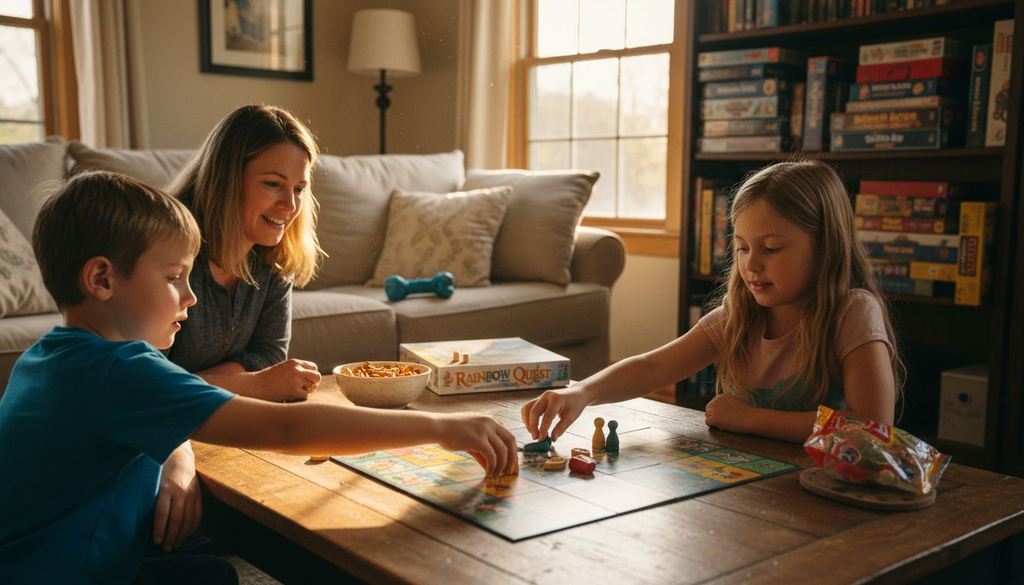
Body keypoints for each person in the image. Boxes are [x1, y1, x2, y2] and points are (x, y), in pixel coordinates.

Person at [0, 172, 517, 584]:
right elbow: (286, 430)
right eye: (174, 277)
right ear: (102, 279)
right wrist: (442, 428)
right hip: (64, 574)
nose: (191, 295)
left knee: (214, 574)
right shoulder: (120, 370)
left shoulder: (48, 356)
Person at [521, 159, 904, 444]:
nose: (751, 264)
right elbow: (654, 368)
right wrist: (581, 392)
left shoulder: (852, 311)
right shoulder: (743, 314)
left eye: (771, 248)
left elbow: (872, 427)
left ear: (826, 246)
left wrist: (751, 418)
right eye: (741, 248)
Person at [159, 105, 325, 552]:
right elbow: (148, 387)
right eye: (273, 184)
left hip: (202, 416)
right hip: (163, 425)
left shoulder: (272, 258)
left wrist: (221, 381)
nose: (289, 206)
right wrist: (253, 384)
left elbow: (271, 352)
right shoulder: (168, 253)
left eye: (299, 189)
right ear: (227, 178)